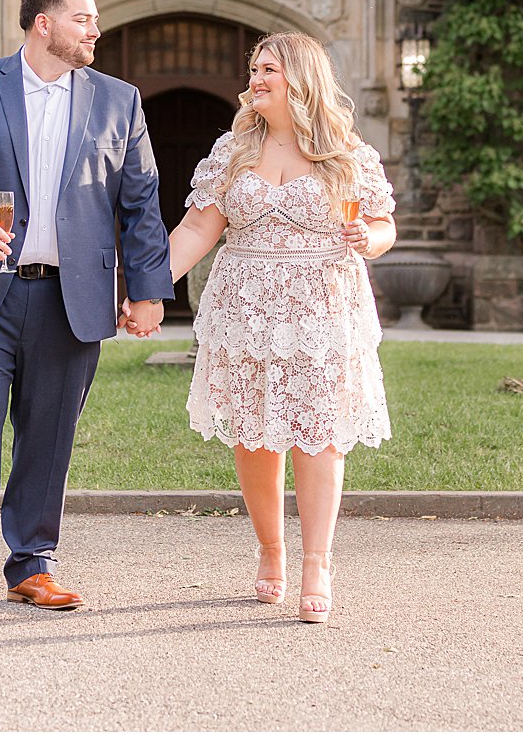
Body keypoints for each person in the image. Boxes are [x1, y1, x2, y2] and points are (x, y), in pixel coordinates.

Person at [0, 0, 174, 620]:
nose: (95, 30)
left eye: (95, 20)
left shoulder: (120, 102)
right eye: (83, 19)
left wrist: (150, 290)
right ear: (42, 25)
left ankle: (33, 564)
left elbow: (140, 206)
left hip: (70, 299)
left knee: (51, 434)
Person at [144, 31, 397, 624]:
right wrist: (149, 288)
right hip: (247, 309)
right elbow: (196, 231)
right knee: (254, 437)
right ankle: (270, 550)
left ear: (301, 79)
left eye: (268, 71)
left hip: (321, 309)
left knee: (318, 433)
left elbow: (383, 226)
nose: (255, 80)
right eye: (254, 70)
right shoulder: (232, 152)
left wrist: (371, 240)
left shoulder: (348, 155)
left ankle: (318, 563)